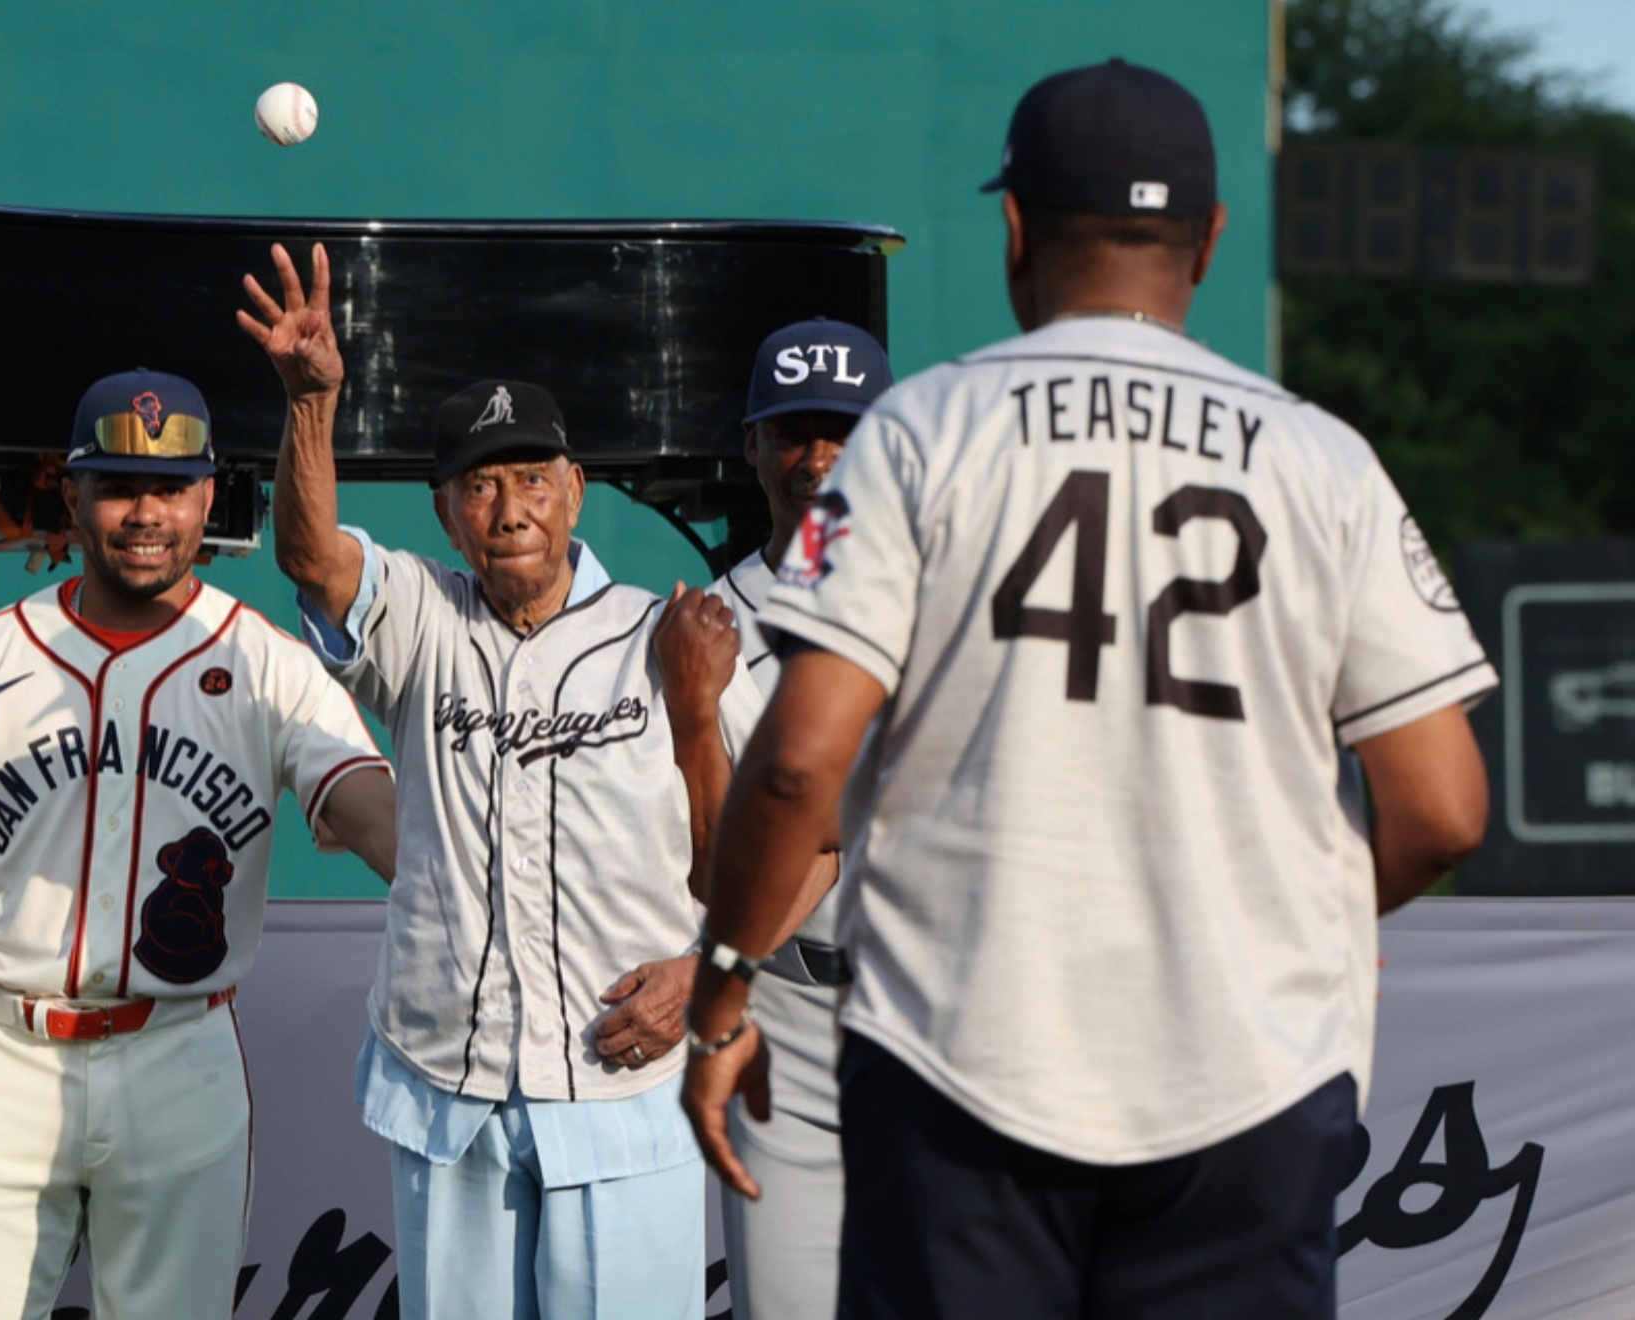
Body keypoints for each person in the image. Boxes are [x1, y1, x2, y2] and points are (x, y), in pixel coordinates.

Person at [683, 59, 1495, 1319]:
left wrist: (725, 986)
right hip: (1243, 1070)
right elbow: (1442, 806)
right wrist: (1315, 915)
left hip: (965, 1063)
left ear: (1014, 228)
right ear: (1212, 240)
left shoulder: (917, 435)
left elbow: (796, 765)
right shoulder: (1320, 457)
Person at [240, 242, 760, 1319]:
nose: (509, 506)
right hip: (449, 1087)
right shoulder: (422, 617)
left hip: (619, 1082)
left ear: (575, 492)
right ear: (443, 513)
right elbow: (312, 557)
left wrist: (709, 970)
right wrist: (309, 405)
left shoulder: (672, 635)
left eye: (532, 477)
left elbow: (772, 848)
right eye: (479, 484)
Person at [0, 369, 399, 1320]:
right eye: (117, 485)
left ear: (209, 495)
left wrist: (471, 869)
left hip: (179, 1054)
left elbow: (372, 811)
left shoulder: (268, 665)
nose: (144, 512)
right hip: (0, 1054)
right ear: (71, 493)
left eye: (169, 487)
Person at [707, 317, 889, 1320]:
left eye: (840, 432)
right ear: (751, 447)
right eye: (792, 433)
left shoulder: (945, 602)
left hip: (928, 1011)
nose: (815, 459)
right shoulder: (707, 631)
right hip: (784, 1009)